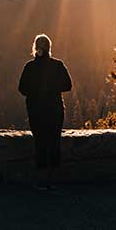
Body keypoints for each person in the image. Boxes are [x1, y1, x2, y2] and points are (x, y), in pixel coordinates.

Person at [18, 33, 72, 190]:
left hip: (35, 110)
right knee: (54, 142)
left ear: (35, 48)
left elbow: (21, 88)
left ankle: (41, 180)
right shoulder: (58, 65)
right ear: (49, 48)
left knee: (40, 143)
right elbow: (68, 85)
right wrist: (53, 88)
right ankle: (53, 180)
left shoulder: (29, 67)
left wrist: (34, 93)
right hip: (55, 109)